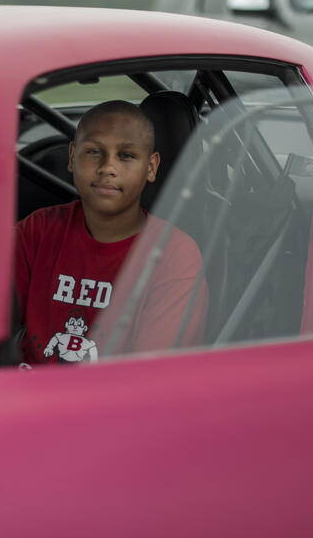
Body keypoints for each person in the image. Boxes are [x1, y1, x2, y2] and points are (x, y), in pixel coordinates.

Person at [15, 100, 207, 365]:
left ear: (151, 167)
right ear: (73, 157)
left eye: (126, 155)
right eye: (94, 151)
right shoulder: (38, 230)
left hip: (113, 401)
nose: (107, 167)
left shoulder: (174, 255)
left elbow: (151, 376)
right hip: (19, 395)